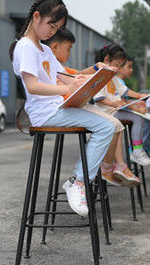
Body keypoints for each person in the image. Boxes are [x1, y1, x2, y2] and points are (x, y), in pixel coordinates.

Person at [9, 0, 116, 217]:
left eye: (57, 28)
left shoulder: (46, 50)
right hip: (45, 114)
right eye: (51, 25)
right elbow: (33, 86)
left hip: (59, 107)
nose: (53, 32)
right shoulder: (25, 47)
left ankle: (80, 180)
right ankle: (79, 182)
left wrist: (92, 82)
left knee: (110, 123)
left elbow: (64, 77)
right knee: (105, 127)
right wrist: (67, 89)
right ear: (36, 17)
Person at [43, 29, 140, 187]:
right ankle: (91, 175)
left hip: (74, 106)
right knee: (110, 125)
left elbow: (78, 73)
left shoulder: (58, 67)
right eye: (68, 48)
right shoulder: (48, 65)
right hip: (62, 110)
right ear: (54, 47)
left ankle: (87, 175)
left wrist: (95, 70)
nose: (69, 53)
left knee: (114, 125)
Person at [93, 45, 150, 167]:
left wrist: (138, 96)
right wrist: (114, 103)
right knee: (137, 118)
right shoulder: (98, 77)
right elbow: (98, 99)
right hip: (107, 112)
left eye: (120, 66)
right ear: (106, 60)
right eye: (117, 64)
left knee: (137, 118)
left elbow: (124, 91)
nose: (118, 68)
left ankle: (137, 150)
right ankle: (137, 151)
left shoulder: (112, 77)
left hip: (114, 111)